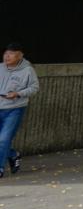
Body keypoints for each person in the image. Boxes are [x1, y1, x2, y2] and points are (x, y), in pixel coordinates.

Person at [0, 42, 38, 178]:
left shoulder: (27, 70)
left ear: (20, 55)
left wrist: (18, 94)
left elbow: (34, 88)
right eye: (6, 53)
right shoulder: (0, 68)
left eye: (11, 54)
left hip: (14, 109)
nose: (7, 56)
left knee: (4, 139)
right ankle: (13, 155)